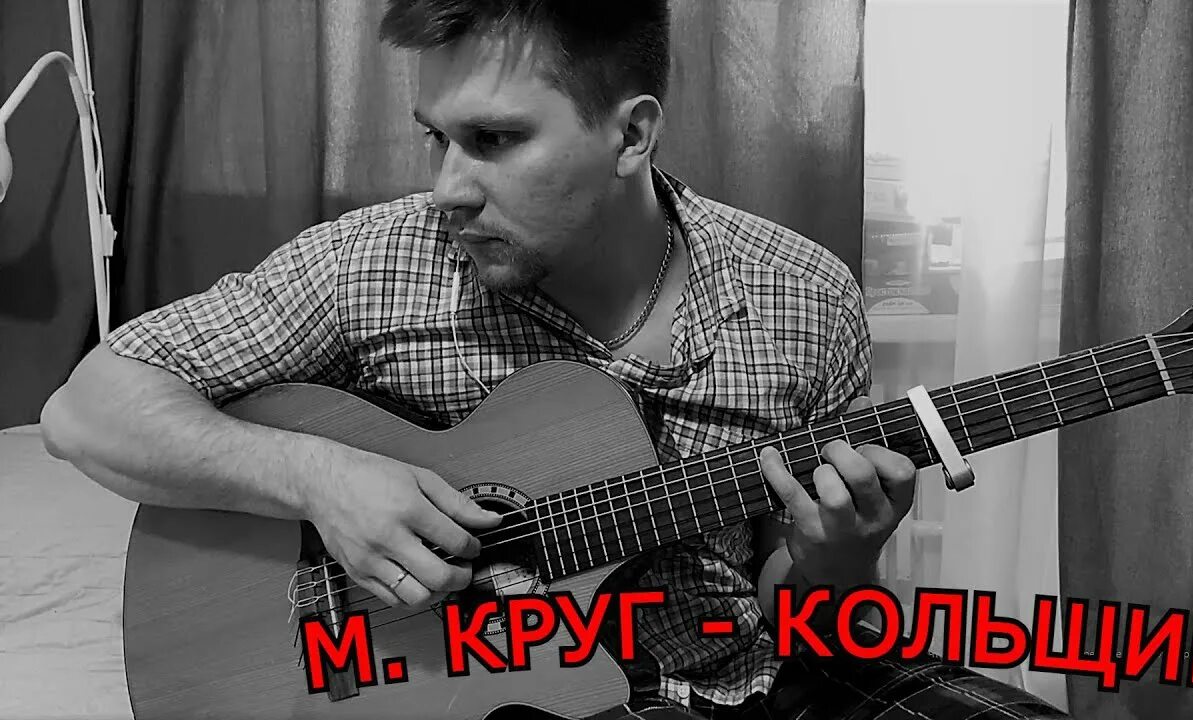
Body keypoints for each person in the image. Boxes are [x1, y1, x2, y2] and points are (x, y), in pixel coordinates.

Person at [39, 2, 1069, 719]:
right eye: (434, 138)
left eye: (492, 140)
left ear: (630, 135)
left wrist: (837, 560)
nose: (446, 186)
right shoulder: (373, 264)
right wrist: (320, 477)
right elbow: (86, 410)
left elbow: (797, 611)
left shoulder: (804, 295)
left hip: (754, 683)